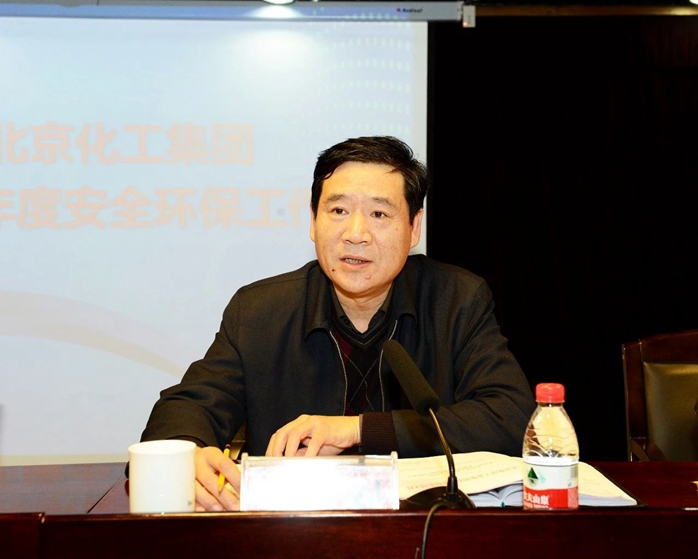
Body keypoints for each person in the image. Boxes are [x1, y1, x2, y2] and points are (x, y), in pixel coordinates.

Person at [138, 135, 536, 511]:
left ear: (414, 227)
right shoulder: (259, 310)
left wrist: (358, 430)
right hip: (293, 532)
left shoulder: (456, 300)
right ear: (313, 221)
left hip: (421, 527)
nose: (355, 234)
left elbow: (511, 416)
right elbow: (185, 407)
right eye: (338, 211)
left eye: (379, 214)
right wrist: (186, 451)